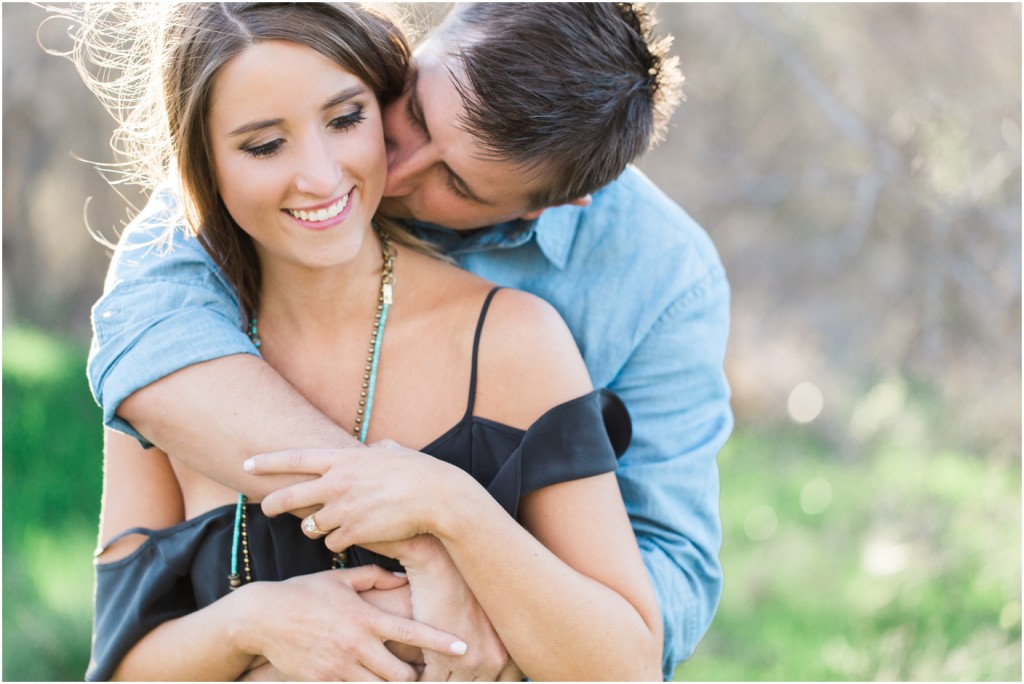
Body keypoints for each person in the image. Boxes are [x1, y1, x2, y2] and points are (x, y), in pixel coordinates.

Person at [86, 2, 733, 679]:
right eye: (413, 113)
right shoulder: (190, 322)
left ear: (540, 204)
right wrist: (262, 621)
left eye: (453, 181)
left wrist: (471, 565)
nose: (373, 173)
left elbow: (656, 590)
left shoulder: (622, 298)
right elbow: (142, 331)